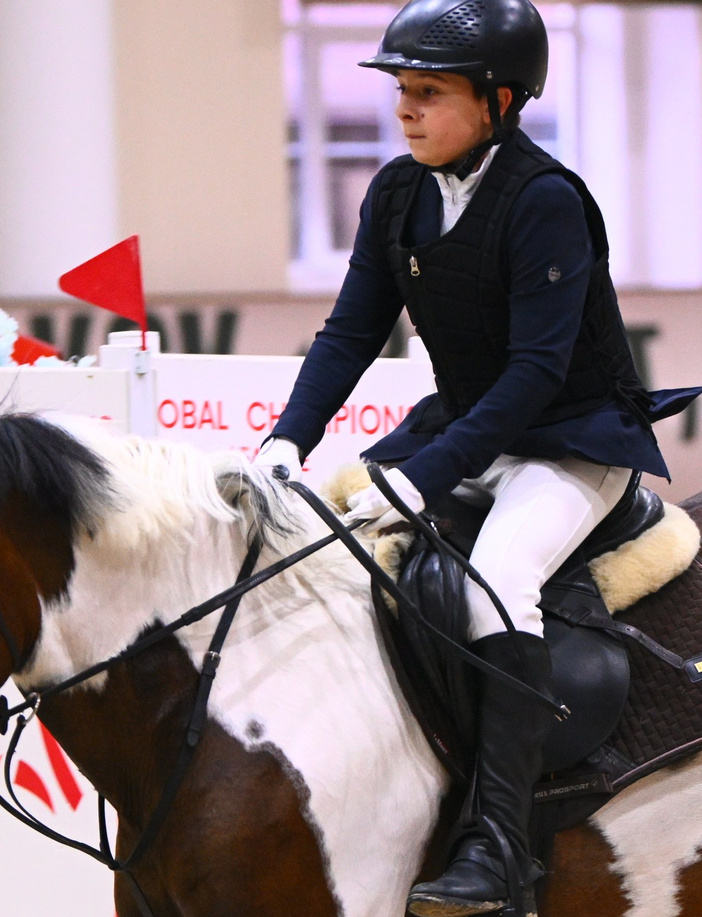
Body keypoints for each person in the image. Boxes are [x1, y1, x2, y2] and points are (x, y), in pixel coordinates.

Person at [254, 0, 700, 914]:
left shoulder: (546, 200)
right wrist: (286, 438)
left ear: (498, 101)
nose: (404, 109)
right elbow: (350, 332)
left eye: (429, 91)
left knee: (496, 581)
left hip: (570, 439)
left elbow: (536, 373)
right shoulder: (397, 191)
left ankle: (498, 845)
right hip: (464, 427)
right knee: (335, 550)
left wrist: (421, 476)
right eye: (401, 90)